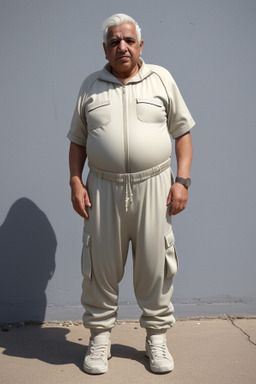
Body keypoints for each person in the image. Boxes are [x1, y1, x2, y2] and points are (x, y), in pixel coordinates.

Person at [68, 13, 195, 375]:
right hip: (102, 189)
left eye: (128, 40)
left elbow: (182, 133)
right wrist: (76, 182)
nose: (121, 46)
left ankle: (156, 339)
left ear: (140, 45)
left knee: (155, 266)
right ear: (105, 49)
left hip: (154, 187)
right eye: (113, 42)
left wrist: (182, 181)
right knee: (100, 269)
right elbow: (78, 140)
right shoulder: (90, 86)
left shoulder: (162, 80)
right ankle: (99, 339)